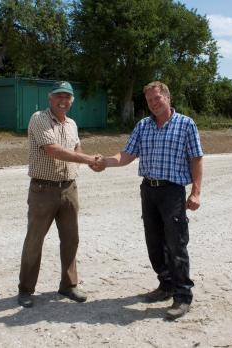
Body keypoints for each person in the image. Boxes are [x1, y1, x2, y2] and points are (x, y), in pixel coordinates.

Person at [92, 81, 203, 320]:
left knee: (176, 243)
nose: (153, 104)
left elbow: (196, 158)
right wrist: (105, 162)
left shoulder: (186, 124)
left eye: (157, 99)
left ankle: (183, 296)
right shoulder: (143, 125)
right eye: (150, 101)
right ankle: (166, 285)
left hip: (172, 191)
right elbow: (126, 155)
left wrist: (196, 191)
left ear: (167, 98)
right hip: (148, 190)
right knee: (154, 242)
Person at [17, 81, 99, 308]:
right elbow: (52, 150)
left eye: (68, 96)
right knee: (34, 240)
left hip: (69, 188)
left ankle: (69, 285)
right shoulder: (39, 118)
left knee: (71, 239)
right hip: (43, 189)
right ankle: (25, 289)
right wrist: (88, 159)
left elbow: (76, 150)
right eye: (59, 96)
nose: (63, 100)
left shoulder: (72, 123)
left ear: (72, 100)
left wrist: (91, 162)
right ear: (49, 98)